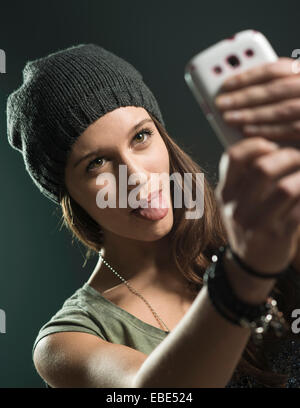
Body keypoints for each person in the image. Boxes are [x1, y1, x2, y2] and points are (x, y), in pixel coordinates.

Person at [7, 44, 300, 388]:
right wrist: (244, 273)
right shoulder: (69, 341)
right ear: (69, 195)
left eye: (141, 137)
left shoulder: (258, 222)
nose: (136, 177)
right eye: (97, 163)